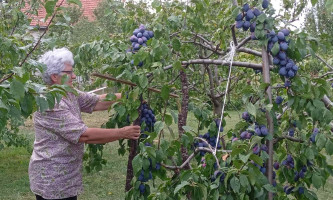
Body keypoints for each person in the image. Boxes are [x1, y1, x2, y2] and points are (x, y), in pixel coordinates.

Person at [29, 47, 140, 200]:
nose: (74, 76)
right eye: (69, 73)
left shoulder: (68, 92)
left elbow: (98, 102)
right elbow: (85, 135)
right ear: (55, 76)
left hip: (66, 175)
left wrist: (130, 95)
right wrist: (122, 133)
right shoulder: (50, 104)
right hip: (52, 179)